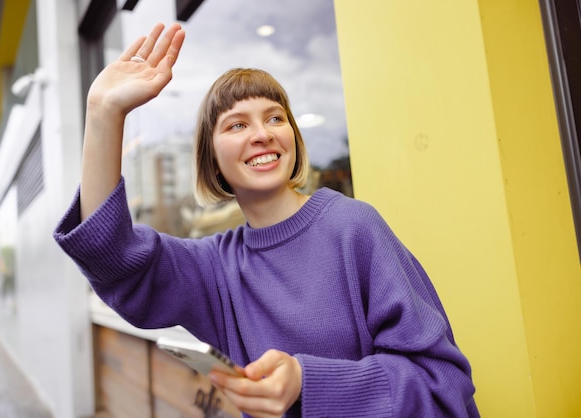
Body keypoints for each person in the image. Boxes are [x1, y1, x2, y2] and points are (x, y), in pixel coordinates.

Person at [53, 22, 480, 417]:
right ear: (213, 162)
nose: (262, 133)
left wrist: (307, 382)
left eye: (275, 117)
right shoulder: (216, 268)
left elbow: (444, 385)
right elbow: (110, 256)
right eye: (237, 124)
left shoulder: (354, 228)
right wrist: (103, 115)